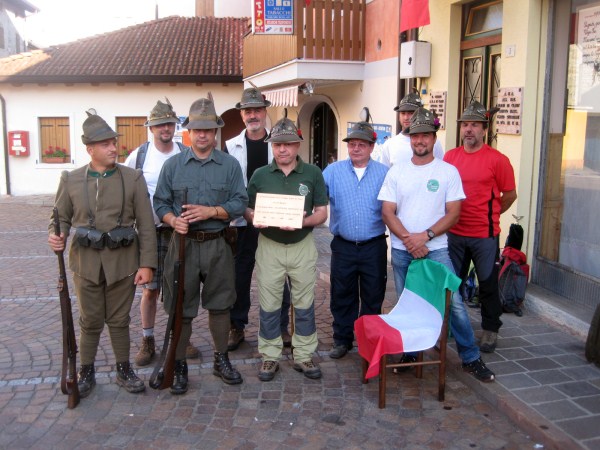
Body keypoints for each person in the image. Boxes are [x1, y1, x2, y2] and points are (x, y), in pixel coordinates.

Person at [378, 107, 495, 382]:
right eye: (415, 136)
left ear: (434, 138)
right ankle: (411, 352)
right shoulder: (396, 172)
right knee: (407, 303)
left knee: (454, 304)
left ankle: (470, 358)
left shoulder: (448, 172)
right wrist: (410, 240)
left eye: (425, 135)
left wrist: (425, 236)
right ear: (410, 139)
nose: (420, 140)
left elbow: (453, 213)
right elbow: (387, 212)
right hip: (403, 250)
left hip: (437, 249)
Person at [48, 111, 157, 397]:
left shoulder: (133, 178)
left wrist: (147, 264)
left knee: (120, 319)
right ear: (90, 149)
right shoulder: (71, 179)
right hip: (85, 262)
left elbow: (146, 224)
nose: (113, 148)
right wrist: (58, 234)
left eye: (113, 142)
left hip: (123, 261)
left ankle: (124, 369)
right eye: (105, 144)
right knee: (90, 320)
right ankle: (86, 371)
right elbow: (60, 217)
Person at [153, 96, 248, 394]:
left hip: (218, 244)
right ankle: (179, 364)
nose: (203, 135)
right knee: (181, 307)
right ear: (189, 132)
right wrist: (172, 220)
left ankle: (221, 359)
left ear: (216, 131)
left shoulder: (230, 165)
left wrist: (212, 212)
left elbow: (240, 201)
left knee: (221, 305)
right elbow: (160, 203)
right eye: (197, 130)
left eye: (208, 129)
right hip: (183, 245)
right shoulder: (173, 166)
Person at [245, 115, 328, 381]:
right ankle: (270, 355)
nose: (282, 149)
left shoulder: (313, 173)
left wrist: (303, 222)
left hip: (302, 244)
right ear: (272, 146)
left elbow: (322, 212)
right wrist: (254, 217)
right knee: (269, 303)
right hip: (269, 245)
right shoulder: (260, 175)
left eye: (288, 144)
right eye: (278, 144)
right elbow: (247, 208)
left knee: (304, 303)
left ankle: (303, 354)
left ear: (297, 145)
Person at [124, 99, 199, 366]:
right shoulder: (139, 156)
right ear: (151, 128)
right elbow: (127, 192)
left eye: (169, 123)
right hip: (151, 233)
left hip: (182, 232)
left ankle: (181, 336)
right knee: (150, 290)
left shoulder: (186, 153)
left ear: (175, 126)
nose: (165, 128)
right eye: (160, 125)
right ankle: (148, 339)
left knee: (181, 289)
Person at [444, 101, 517, 353]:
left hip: (484, 235)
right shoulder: (450, 157)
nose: (468, 129)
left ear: (484, 130)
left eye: (474, 125)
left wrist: (491, 213)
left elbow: (510, 195)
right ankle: (448, 325)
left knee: (487, 283)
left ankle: (490, 329)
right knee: (451, 283)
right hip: (454, 233)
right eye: (465, 124)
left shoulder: (498, 160)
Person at [225, 87, 292, 351]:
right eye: (247, 111)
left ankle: (281, 326)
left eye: (257, 110)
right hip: (242, 225)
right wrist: (245, 212)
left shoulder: (280, 143)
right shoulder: (230, 147)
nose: (252, 115)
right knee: (239, 278)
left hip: (274, 223)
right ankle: (236, 326)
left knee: (278, 277)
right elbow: (230, 187)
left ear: (265, 112)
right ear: (242, 115)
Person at [322, 120, 389, 359]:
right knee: (342, 294)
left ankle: (368, 340)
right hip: (343, 246)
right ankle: (342, 339)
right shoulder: (332, 172)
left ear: (372, 147)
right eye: (352, 144)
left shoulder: (384, 173)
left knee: (373, 295)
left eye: (362, 144)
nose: (356, 148)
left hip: (374, 246)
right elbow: (316, 198)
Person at [378, 92, 444, 167]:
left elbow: (440, 168)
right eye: (403, 113)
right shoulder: (389, 145)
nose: (406, 117)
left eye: (411, 113)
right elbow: (384, 172)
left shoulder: (433, 143)